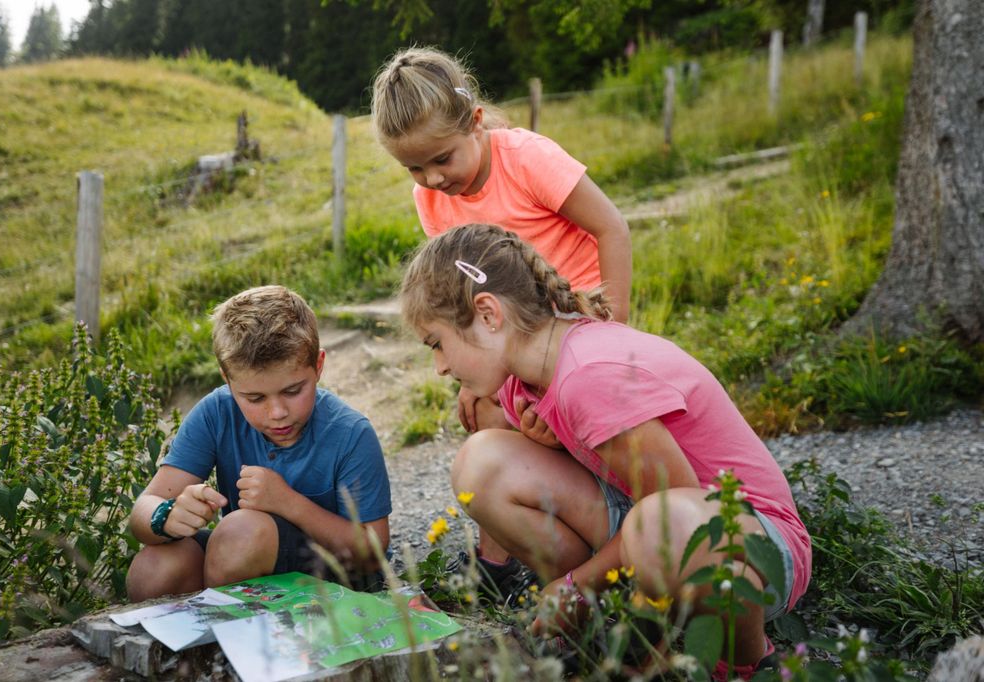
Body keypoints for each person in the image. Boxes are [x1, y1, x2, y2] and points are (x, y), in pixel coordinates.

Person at [398, 224, 811, 679]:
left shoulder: (588, 375)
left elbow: (677, 512)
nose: (439, 366)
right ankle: (601, 615)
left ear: (488, 314)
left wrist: (576, 584)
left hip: (751, 545)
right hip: (652, 532)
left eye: (437, 343)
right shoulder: (522, 377)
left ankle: (746, 660)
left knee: (661, 521)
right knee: (482, 462)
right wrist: (547, 443)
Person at [372, 46, 633, 576]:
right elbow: (459, 295)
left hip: (576, 331)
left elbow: (613, 229)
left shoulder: (527, 159)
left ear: (474, 122)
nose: (432, 180)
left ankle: (606, 546)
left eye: (442, 159)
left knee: (546, 425)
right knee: (484, 415)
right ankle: (510, 560)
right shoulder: (432, 199)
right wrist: (473, 378)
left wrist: (616, 335)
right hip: (510, 339)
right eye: (413, 168)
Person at [125, 285, 392, 601]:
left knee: (240, 535)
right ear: (227, 378)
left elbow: (373, 552)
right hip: (243, 562)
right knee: (154, 568)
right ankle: (189, 646)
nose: (277, 413)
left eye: (293, 391)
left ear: (318, 366)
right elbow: (141, 513)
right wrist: (167, 515)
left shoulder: (350, 433)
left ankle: (227, 644)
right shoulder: (216, 413)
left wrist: (287, 502)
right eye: (254, 398)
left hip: (337, 581)